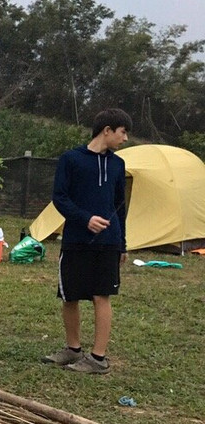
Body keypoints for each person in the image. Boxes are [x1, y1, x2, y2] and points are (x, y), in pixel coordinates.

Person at [42, 108, 131, 374]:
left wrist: (122, 242)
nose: (125, 139)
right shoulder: (71, 159)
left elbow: (120, 206)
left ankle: (98, 358)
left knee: (100, 295)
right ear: (107, 130)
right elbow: (60, 198)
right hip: (76, 239)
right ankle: (72, 349)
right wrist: (85, 219)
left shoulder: (117, 164)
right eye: (123, 132)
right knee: (70, 295)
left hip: (108, 242)